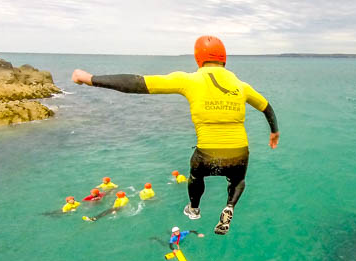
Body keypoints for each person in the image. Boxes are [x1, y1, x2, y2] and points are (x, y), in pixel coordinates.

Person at [72, 35, 279, 235]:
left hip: (207, 154)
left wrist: (90, 79)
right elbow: (266, 107)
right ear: (224, 59)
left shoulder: (188, 79)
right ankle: (230, 206)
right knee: (237, 181)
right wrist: (274, 131)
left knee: (197, 175)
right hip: (239, 153)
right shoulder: (241, 86)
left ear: (198, 58)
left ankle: (194, 208)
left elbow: (137, 83)